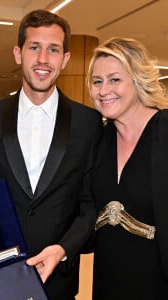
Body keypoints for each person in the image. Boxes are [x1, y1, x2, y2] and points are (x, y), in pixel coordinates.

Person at [0, 9, 103, 300]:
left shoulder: (88, 123)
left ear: (65, 59)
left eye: (53, 49)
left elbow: (89, 205)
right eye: (34, 48)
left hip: (60, 282)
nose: (43, 59)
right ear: (18, 53)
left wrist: (64, 248)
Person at [87, 37, 168, 300]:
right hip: (108, 282)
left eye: (114, 79)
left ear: (137, 79)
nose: (103, 90)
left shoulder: (164, 130)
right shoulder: (100, 139)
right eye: (97, 81)